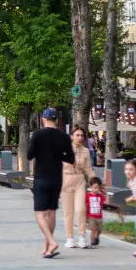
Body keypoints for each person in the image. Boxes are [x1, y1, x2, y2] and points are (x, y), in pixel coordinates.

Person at [26, 109, 75, 258]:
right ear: (56, 120)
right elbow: (70, 158)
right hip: (56, 178)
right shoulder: (64, 136)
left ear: (43, 119)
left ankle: (52, 242)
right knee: (51, 212)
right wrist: (58, 155)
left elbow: (29, 155)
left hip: (41, 177)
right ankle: (47, 248)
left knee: (40, 213)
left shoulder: (38, 135)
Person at [61, 126, 94, 249]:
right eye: (77, 135)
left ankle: (82, 236)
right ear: (72, 136)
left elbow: (88, 169)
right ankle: (70, 238)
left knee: (81, 210)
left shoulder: (86, 151)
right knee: (68, 212)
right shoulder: (63, 149)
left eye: (82, 135)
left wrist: (95, 181)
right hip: (66, 180)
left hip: (79, 180)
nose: (80, 138)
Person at [86, 177, 106, 247]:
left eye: (98, 188)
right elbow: (85, 205)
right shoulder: (87, 196)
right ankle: (92, 242)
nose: (97, 190)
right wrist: (85, 216)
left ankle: (97, 237)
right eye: (95, 188)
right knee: (93, 230)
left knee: (99, 230)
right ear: (90, 187)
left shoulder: (100, 196)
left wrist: (106, 194)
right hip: (91, 217)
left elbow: (107, 202)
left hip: (99, 217)